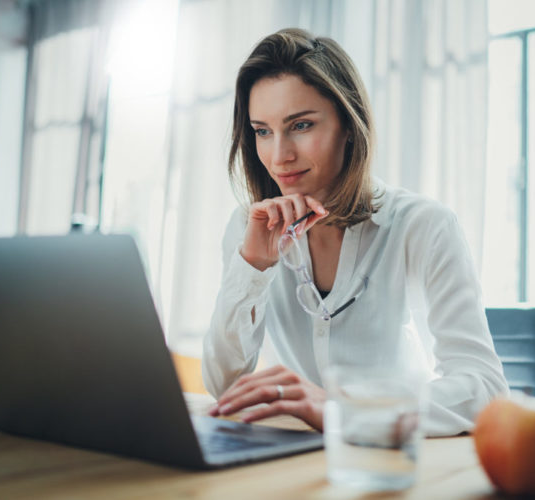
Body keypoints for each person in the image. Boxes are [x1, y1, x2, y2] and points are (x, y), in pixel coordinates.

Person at [202, 28, 508, 435]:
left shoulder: (423, 225)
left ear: (349, 124)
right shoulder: (250, 228)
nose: (280, 156)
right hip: (292, 459)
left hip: (393, 457)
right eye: (262, 131)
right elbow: (224, 385)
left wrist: (345, 410)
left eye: (302, 125)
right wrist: (253, 266)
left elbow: (484, 387)